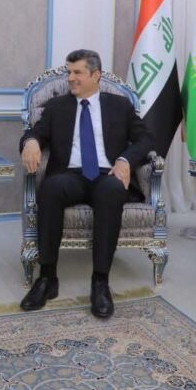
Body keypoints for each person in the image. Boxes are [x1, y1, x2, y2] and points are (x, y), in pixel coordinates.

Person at [19, 49, 154, 318]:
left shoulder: (120, 105)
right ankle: (47, 278)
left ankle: (100, 282)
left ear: (96, 75)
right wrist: (31, 142)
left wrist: (125, 160)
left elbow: (146, 139)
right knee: (51, 188)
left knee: (112, 190)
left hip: (107, 173)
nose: (70, 78)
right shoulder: (57, 107)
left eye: (77, 72)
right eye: (69, 72)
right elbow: (35, 133)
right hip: (70, 175)